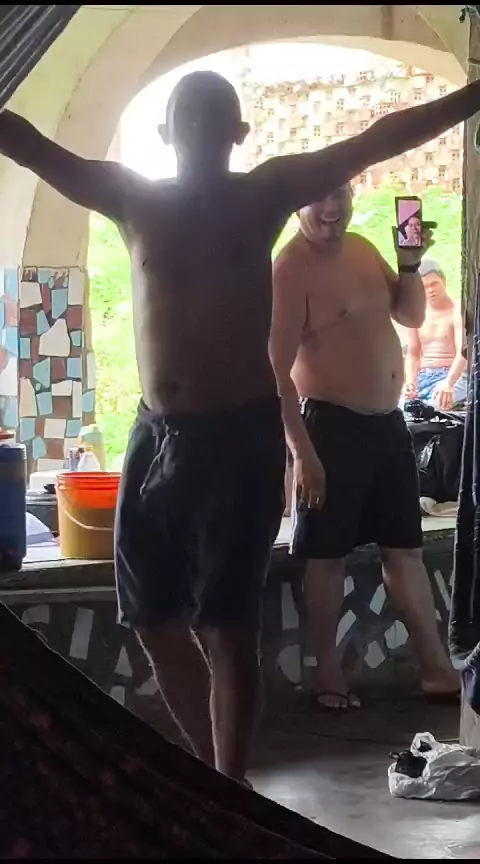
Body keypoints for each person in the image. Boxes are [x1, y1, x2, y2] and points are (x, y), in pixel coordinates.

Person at [0, 71, 477, 780]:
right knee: (151, 616)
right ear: (166, 134)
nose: (197, 131)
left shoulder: (263, 193)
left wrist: (472, 94)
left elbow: (381, 137)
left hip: (238, 439)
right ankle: (214, 780)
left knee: (226, 628)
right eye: (187, 120)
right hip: (156, 437)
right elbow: (31, 145)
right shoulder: (133, 198)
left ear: (238, 134)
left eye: (211, 119)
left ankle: (230, 785)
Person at [270, 184, 459, 711]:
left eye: (340, 195)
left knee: (405, 549)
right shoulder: (290, 269)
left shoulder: (361, 248)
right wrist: (302, 453)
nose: (332, 209)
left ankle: (436, 670)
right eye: (319, 198)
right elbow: (275, 373)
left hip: (388, 425)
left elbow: (412, 316)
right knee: (326, 555)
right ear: (298, 203)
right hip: (330, 427)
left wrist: (408, 263)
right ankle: (329, 678)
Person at [404, 259, 468, 409]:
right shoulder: (417, 312)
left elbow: (463, 353)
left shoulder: (457, 310)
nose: (430, 290)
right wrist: (410, 381)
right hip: (424, 375)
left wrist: (449, 384)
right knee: (400, 407)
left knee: (434, 406)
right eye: (424, 287)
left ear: (444, 281)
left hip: (452, 375)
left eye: (434, 284)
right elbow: (413, 353)